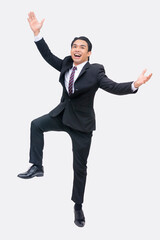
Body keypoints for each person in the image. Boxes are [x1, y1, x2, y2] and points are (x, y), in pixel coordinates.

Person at [18, 12, 152, 227]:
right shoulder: (65, 63)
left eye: (81, 47)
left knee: (79, 168)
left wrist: (134, 84)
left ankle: (78, 206)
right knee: (36, 125)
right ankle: (37, 166)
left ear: (88, 52)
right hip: (62, 116)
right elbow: (48, 56)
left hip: (81, 125)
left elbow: (113, 87)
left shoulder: (96, 71)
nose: (77, 49)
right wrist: (37, 34)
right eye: (74, 46)